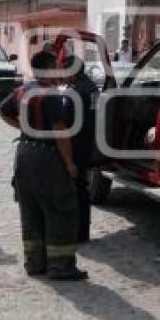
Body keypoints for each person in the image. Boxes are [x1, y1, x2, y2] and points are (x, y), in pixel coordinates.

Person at [0, 51, 87, 280]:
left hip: (24, 154)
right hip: (47, 157)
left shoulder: (23, 90)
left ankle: (35, 263)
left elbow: (2, 111)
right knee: (60, 210)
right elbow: (60, 132)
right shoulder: (52, 95)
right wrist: (69, 164)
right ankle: (61, 266)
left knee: (31, 210)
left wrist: (26, 128)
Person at [63, 55, 98, 243]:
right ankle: (83, 231)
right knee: (82, 188)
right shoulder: (91, 87)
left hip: (75, 144)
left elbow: (65, 120)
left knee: (74, 189)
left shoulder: (75, 91)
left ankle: (77, 231)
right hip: (88, 142)